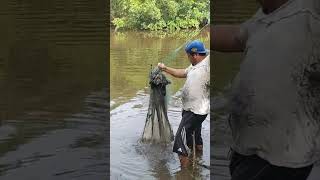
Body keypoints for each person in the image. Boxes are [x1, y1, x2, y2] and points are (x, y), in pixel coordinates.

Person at [212, 0, 320, 179]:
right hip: (248, 150)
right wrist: (197, 36)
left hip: (282, 157)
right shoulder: (265, 16)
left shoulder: (311, 9)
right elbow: (236, 36)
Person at [158, 40, 210, 168]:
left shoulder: (208, 65)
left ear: (195, 55)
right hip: (193, 110)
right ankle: (198, 157)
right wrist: (165, 68)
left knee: (179, 140)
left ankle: (184, 173)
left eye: (188, 55)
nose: (188, 58)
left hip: (195, 111)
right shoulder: (194, 65)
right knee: (195, 135)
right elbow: (181, 73)